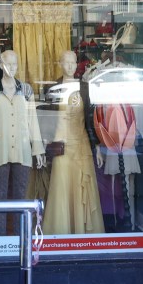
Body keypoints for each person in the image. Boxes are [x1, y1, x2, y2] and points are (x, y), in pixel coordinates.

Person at [0, 50, 45, 236]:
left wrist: (37, 149)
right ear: (0, 65)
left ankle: (18, 237)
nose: (12, 68)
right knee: (0, 196)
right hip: (0, 149)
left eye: (15, 64)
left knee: (21, 196)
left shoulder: (27, 90)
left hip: (22, 150)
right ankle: (0, 240)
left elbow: (33, 121)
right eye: (8, 64)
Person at [43, 50, 105, 234]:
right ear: (60, 63)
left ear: (77, 64)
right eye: (66, 62)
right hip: (61, 144)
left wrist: (98, 147)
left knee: (81, 186)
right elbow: (47, 119)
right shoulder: (53, 88)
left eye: (73, 62)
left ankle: (82, 231)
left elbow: (90, 120)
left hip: (81, 144)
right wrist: (45, 144)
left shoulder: (85, 87)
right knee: (61, 187)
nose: (70, 66)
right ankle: (62, 231)